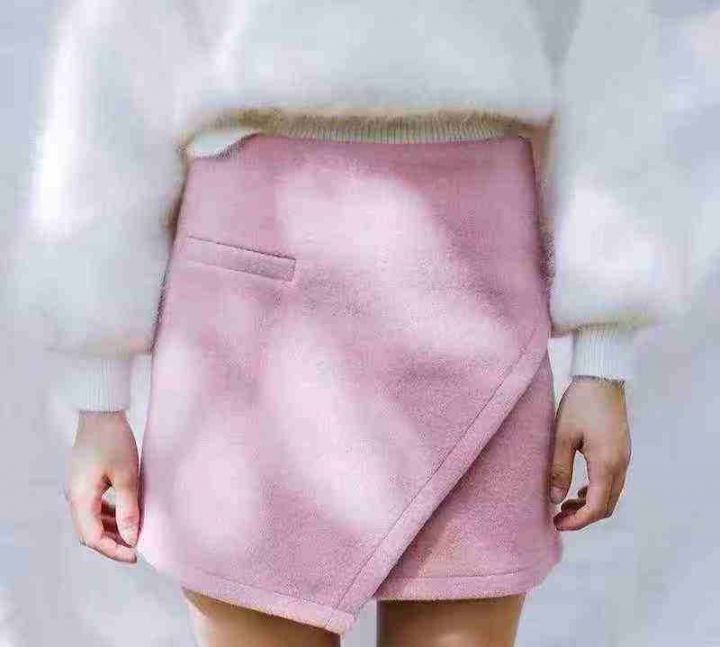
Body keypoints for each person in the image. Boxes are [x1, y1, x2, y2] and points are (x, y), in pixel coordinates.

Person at [5, 0, 686, 645]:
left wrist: (604, 356)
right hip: (251, 323)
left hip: (477, 305)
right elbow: (116, 70)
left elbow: (608, 57)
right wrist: (97, 396)